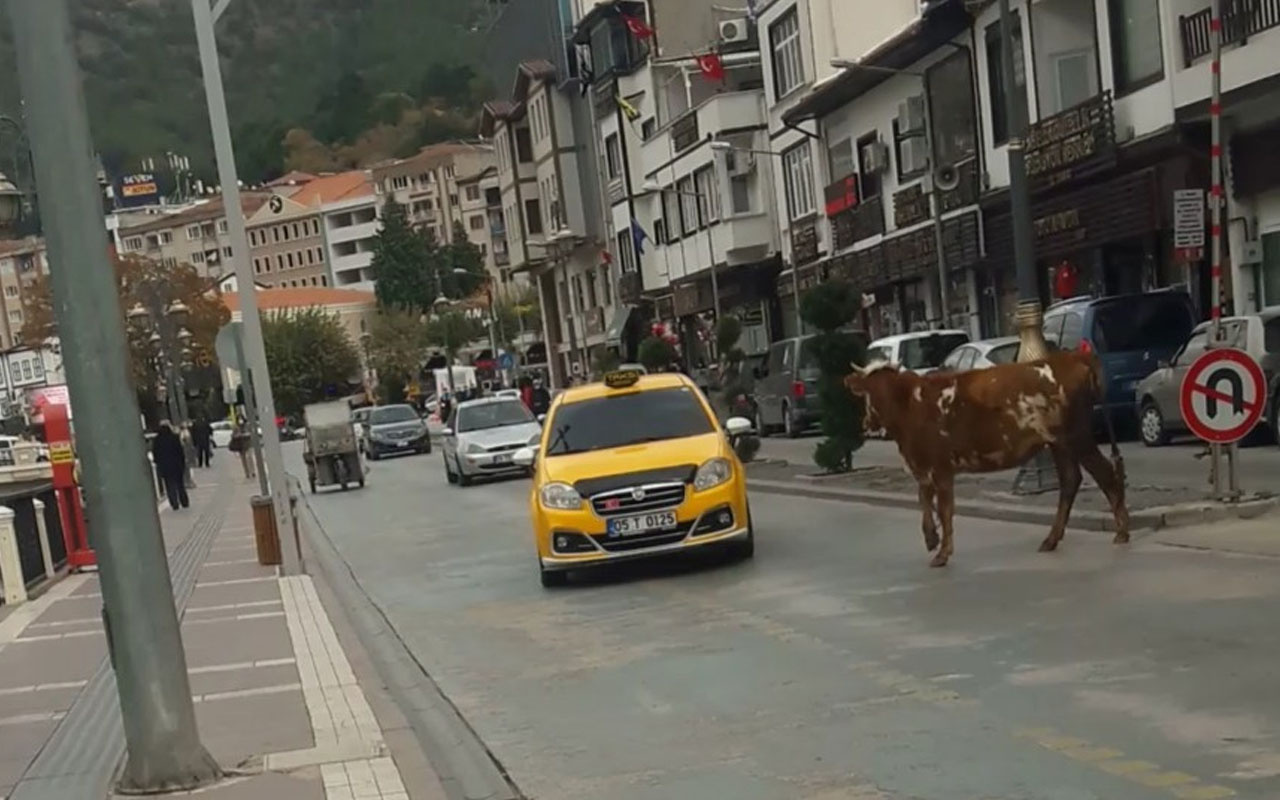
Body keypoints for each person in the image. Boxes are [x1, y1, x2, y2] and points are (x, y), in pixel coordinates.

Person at [152, 421, 189, 510]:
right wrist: (183, 463)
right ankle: (184, 501)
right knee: (180, 484)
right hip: (176, 465)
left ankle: (174, 503)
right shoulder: (174, 437)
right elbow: (180, 452)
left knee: (169, 485)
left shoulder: (157, 440)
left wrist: (158, 463)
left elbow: (155, 453)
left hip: (165, 466)